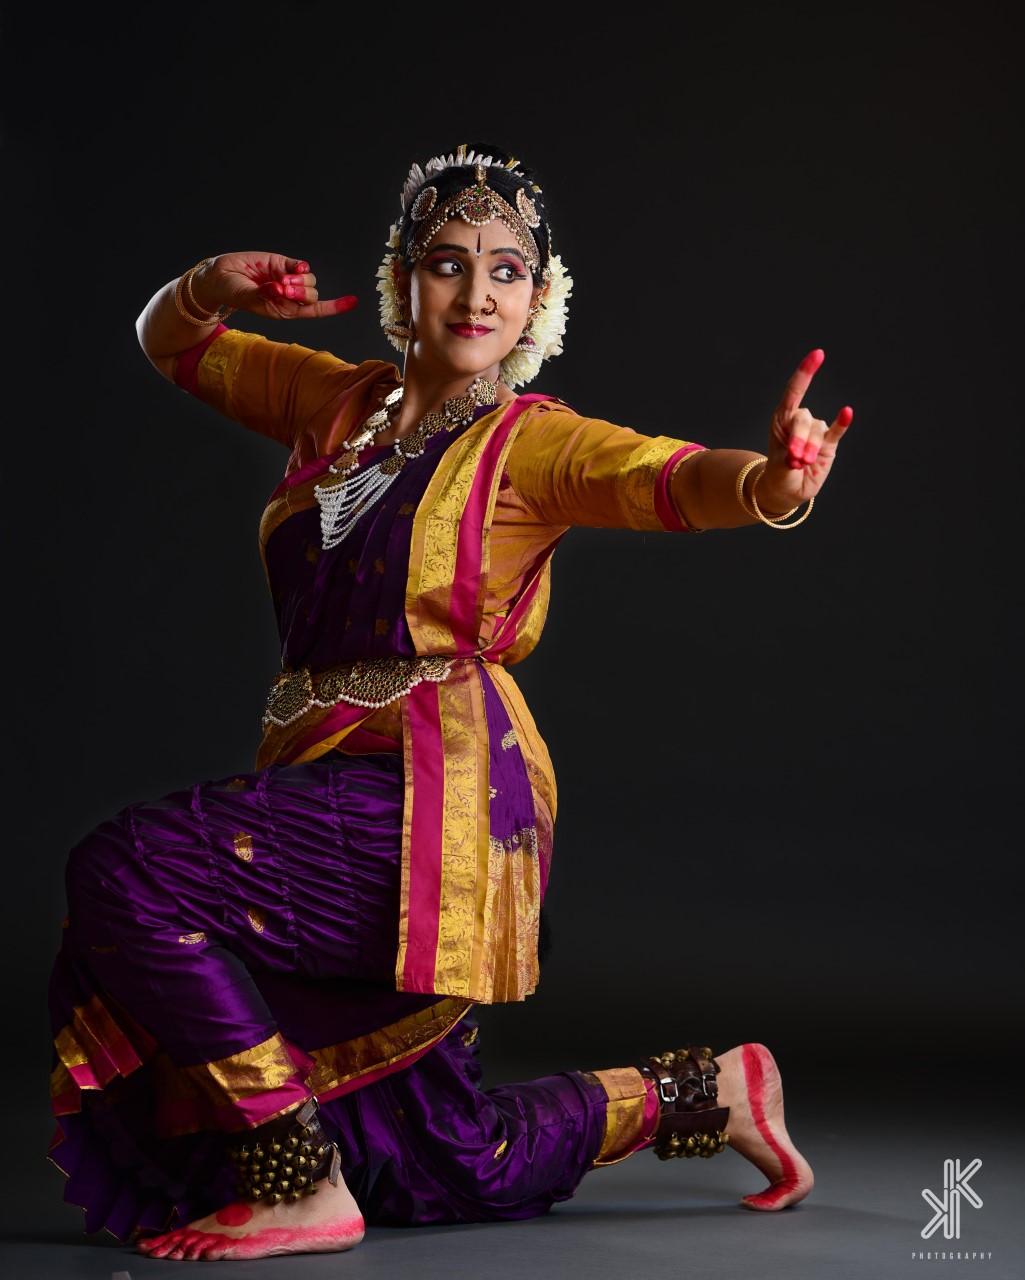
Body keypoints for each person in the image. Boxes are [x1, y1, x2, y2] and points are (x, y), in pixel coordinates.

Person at [47, 141, 851, 1263]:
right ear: (400, 282)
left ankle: (298, 1176)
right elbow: (169, 346)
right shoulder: (335, 401)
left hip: (433, 802)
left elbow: (671, 480)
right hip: (318, 775)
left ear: (539, 296)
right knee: (447, 1160)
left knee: (128, 868)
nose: (477, 293)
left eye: (508, 269)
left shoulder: (533, 441)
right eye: (446, 261)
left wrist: (770, 484)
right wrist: (204, 288)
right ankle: (705, 1091)